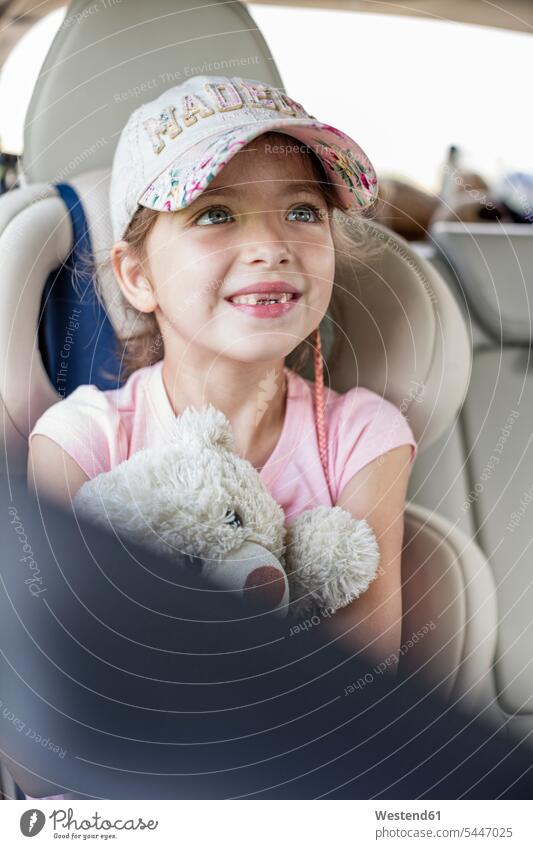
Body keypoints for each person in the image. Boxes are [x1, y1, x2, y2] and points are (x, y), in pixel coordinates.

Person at [27, 75, 417, 670]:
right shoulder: (82, 441)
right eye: (215, 214)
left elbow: (358, 682)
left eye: (302, 210)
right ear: (138, 276)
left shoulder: (363, 438)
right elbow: (57, 670)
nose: (270, 245)